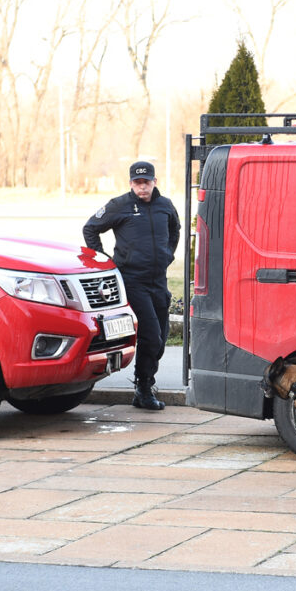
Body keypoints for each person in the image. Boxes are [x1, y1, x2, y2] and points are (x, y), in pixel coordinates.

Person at [83, 161, 181, 410]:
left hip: (159, 280)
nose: (142, 187)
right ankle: (143, 388)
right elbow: (90, 229)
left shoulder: (165, 206)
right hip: (133, 281)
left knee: (160, 339)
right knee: (151, 337)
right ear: (131, 184)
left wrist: (168, 254)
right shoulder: (120, 205)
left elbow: (175, 230)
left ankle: (145, 384)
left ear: (154, 182)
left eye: (146, 182)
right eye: (137, 183)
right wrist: (104, 261)